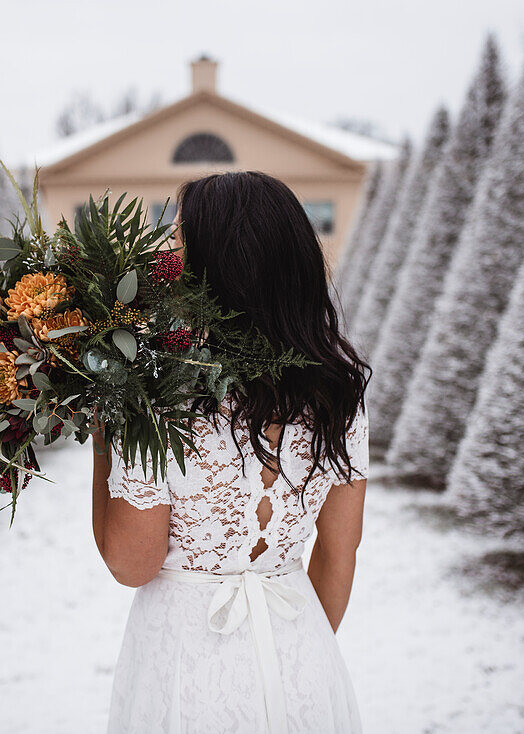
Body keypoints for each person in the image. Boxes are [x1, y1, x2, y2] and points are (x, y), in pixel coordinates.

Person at [92, 170, 371, 733]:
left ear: (209, 273)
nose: (164, 260)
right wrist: (295, 657)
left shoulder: (158, 397)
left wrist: (105, 437)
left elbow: (130, 563)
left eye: (175, 244)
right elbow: (339, 556)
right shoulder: (338, 393)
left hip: (184, 674)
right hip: (304, 666)